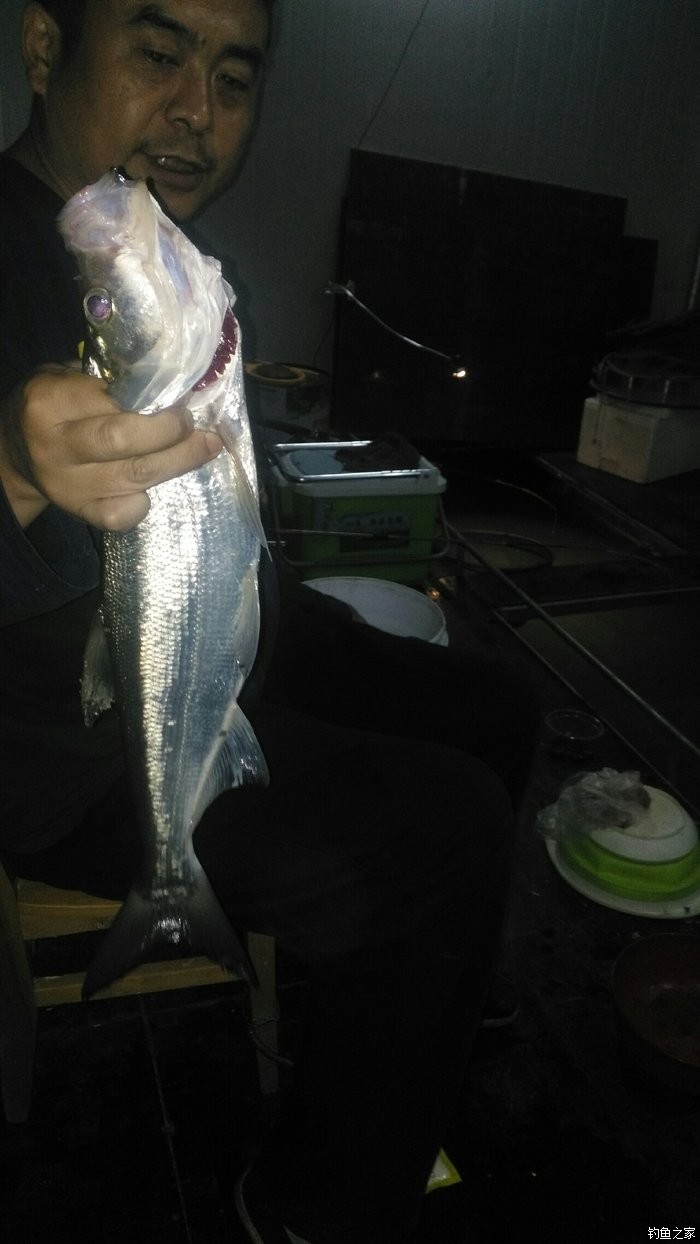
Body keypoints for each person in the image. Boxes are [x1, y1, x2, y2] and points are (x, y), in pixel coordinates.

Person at [0, 3, 539, 1242]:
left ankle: (428, 997)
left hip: (223, 632)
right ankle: (304, 1210)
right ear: (43, 48)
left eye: (233, 77)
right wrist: (15, 467)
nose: (196, 109)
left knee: (496, 705)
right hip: (67, 749)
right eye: (158, 52)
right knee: (444, 825)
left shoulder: (143, 234)